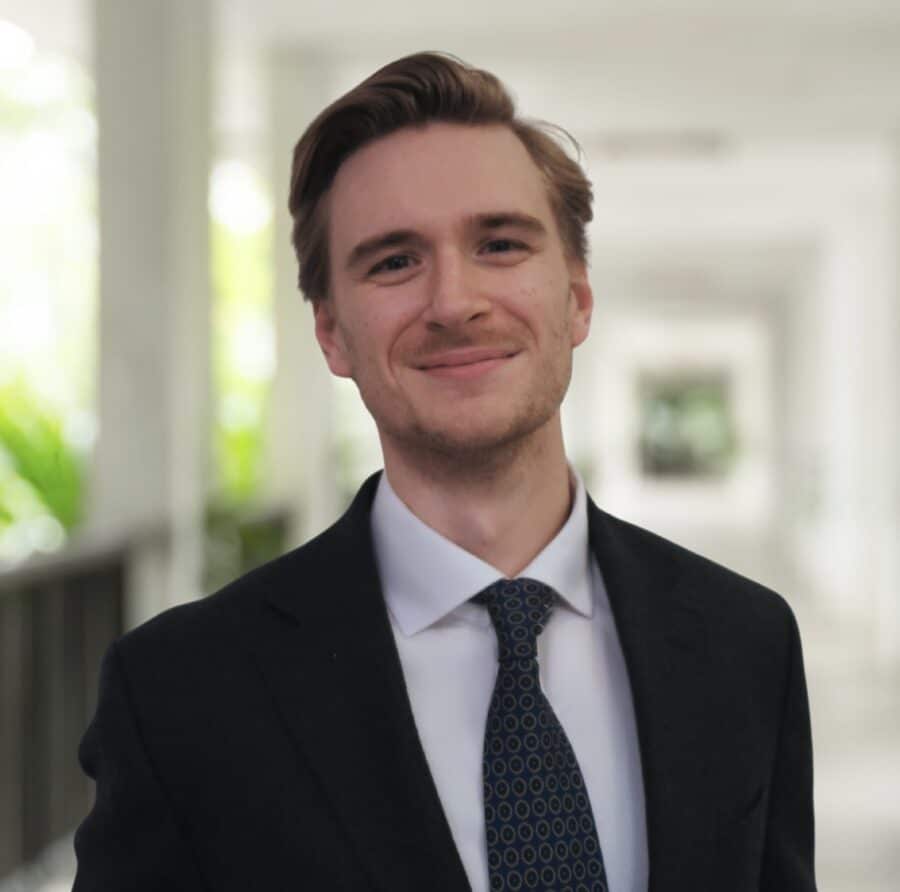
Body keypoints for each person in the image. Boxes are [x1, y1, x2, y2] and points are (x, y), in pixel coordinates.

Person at [73, 52, 816, 892]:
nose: (454, 301)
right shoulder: (180, 693)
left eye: (499, 244)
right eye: (393, 261)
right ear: (331, 333)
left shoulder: (745, 642)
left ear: (576, 297)